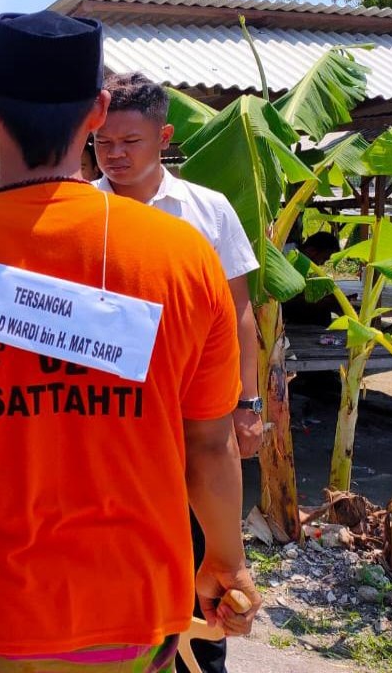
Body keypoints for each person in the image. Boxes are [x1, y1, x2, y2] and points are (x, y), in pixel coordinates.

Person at [0, 12, 261, 673]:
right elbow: (211, 442)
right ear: (96, 112)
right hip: (131, 611)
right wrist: (226, 559)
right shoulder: (183, 257)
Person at [94, 71, 263, 673]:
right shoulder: (84, 209)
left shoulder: (207, 211)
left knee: (196, 542)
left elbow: (239, 310)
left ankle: (200, 656)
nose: (114, 154)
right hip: (105, 421)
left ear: (164, 136)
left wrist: (249, 403)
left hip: (192, 412)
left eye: (130, 142)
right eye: (103, 142)